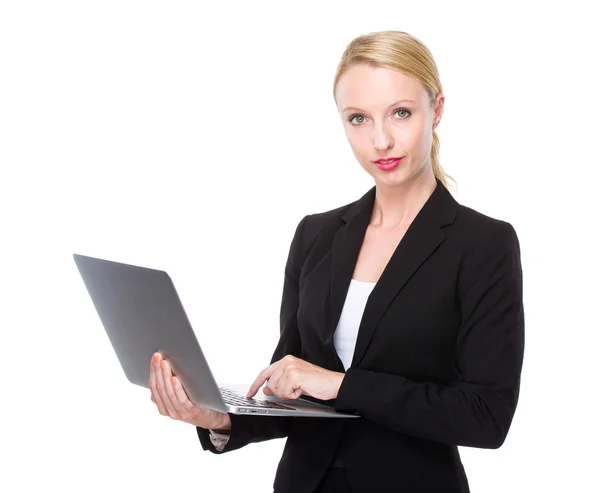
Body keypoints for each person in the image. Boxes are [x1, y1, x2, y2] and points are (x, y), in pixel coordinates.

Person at [148, 30, 525, 493]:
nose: (381, 140)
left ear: (438, 110)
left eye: (401, 113)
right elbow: (291, 391)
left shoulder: (483, 244)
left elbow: (487, 418)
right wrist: (215, 418)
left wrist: (342, 385)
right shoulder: (317, 235)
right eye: (358, 119)